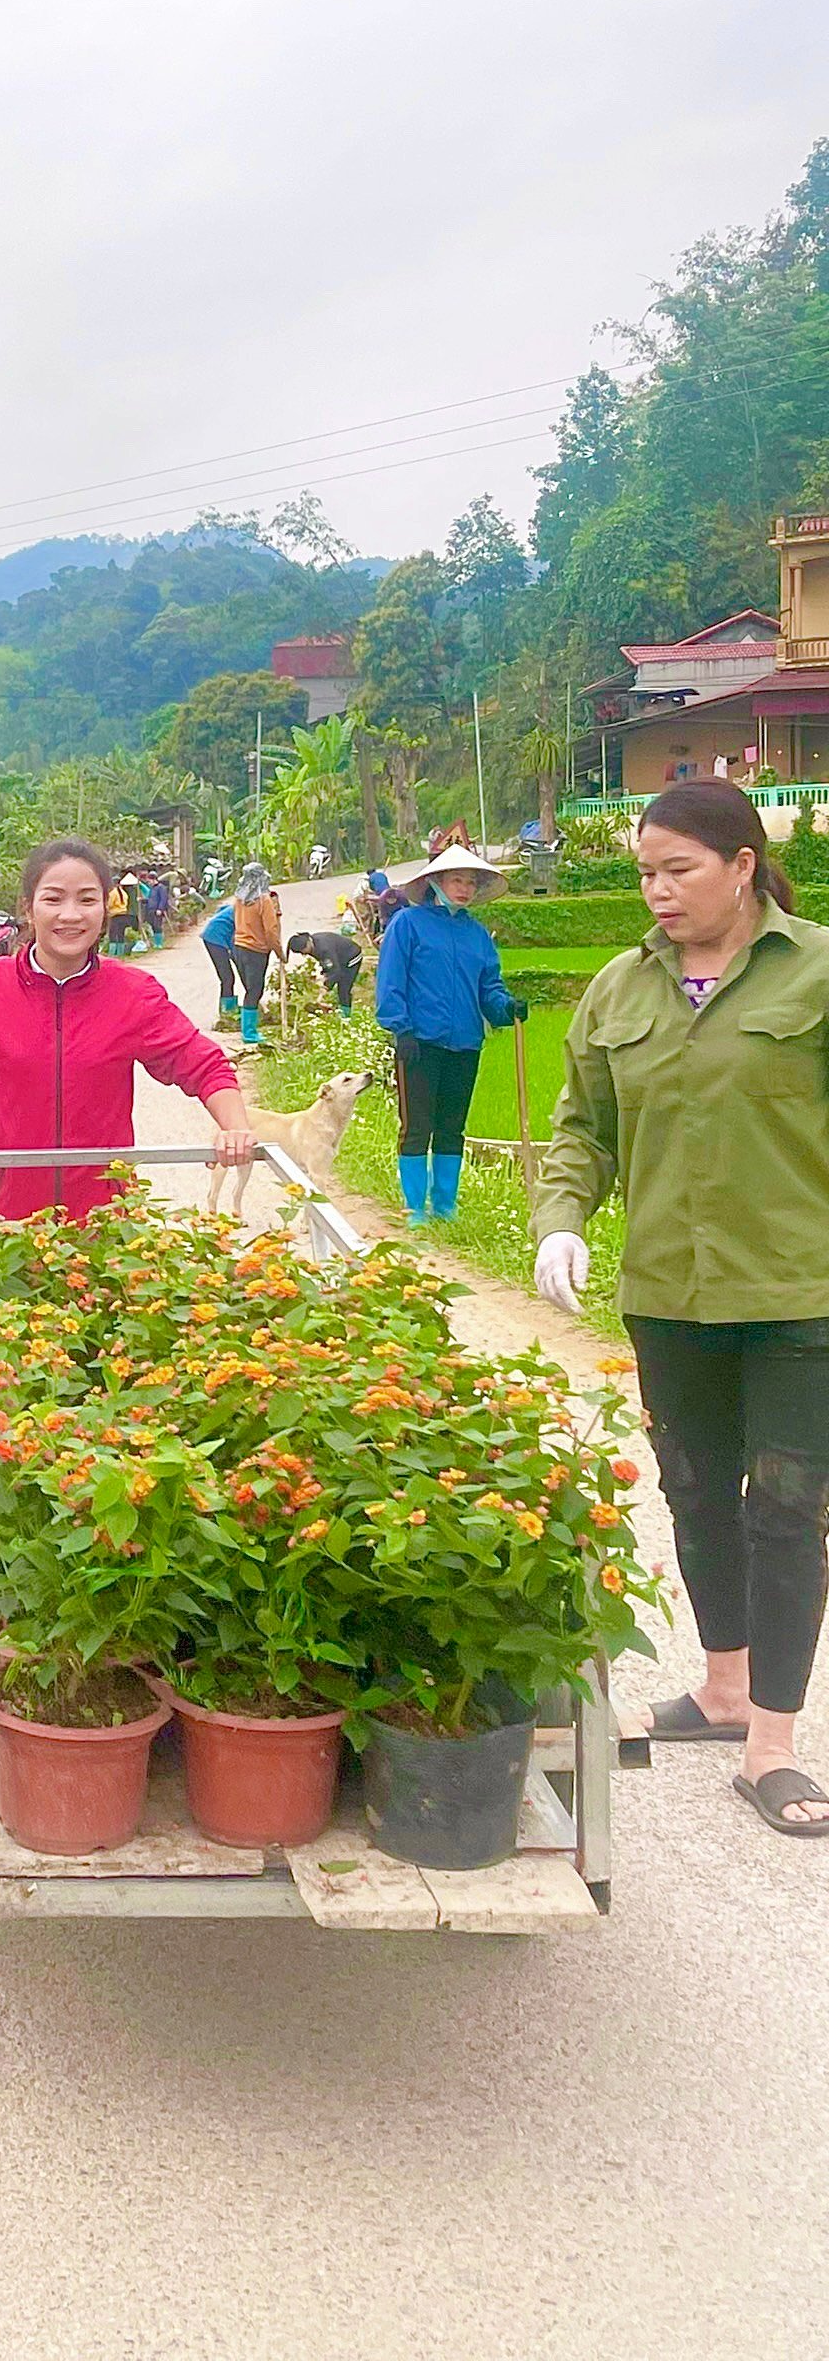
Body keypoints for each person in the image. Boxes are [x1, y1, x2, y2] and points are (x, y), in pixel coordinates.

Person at [533, 780, 829, 1837]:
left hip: (800, 1290)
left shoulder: (819, 970)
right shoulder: (619, 990)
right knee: (697, 1489)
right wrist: (560, 1215)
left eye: (679, 871)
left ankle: (774, 1748)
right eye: (646, 873)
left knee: (786, 1507)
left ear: (743, 865)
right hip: (668, 1291)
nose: (656, 893)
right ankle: (722, 1688)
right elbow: (583, 1130)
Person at [0, 837, 254, 1221]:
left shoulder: (132, 994)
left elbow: (203, 1064)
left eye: (87, 900)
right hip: (12, 1223)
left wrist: (235, 1129)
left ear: (106, 907)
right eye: (54, 899)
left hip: (108, 1226)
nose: (71, 915)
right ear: (28, 908)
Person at [374, 842, 526, 1225]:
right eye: (457, 880)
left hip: (465, 1043)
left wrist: (506, 1008)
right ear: (436, 882)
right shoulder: (407, 925)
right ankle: (415, 1208)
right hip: (419, 1042)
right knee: (417, 1125)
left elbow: (488, 987)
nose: (464, 889)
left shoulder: (476, 936)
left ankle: (445, 1207)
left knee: (452, 1127)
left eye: (471, 882)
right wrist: (401, 1029)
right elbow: (390, 982)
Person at [230, 863, 283, 1047]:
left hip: (238, 947)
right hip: (256, 951)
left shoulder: (238, 899)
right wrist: (279, 951)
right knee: (255, 991)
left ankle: (248, 1029)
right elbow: (270, 930)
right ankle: (250, 1033)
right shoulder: (263, 900)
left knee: (249, 989)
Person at [287, 926, 361, 1016]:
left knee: (344, 987)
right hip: (338, 957)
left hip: (351, 956)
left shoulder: (323, 948)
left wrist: (326, 986)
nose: (304, 954)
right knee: (336, 981)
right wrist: (325, 976)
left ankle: (346, 1015)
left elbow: (335, 971)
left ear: (307, 944)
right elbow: (327, 963)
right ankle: (340, 1007)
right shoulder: (313, 944)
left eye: (303, 951)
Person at [201, 890, 241, 1025]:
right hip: (215, 939)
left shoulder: (233, 908)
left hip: (212, 935)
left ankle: (228, 1010)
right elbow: (235, 941)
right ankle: (226, 1013)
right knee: (227, 978)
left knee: (228, 977)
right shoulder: (242, 914)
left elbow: (220, 911)